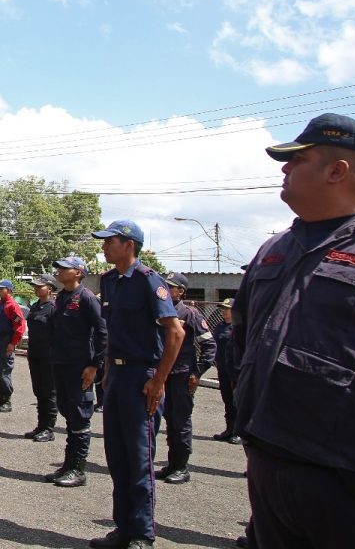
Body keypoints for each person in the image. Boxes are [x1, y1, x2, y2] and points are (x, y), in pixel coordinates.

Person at [234, 113, 355, 548]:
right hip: (268, 461)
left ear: (337, 171)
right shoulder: (274, 249)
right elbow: (244, 340)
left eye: (298, 159)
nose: (285, 168)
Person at [89, 220, 183, 549]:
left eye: (109, 241)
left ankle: (142, 534)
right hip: (115, 375)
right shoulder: (110, 280)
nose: (104, 247)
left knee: (139, 458)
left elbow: (176, 333)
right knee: (117, 455)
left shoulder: (149, 281)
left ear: (129, 245)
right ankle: (123, 529)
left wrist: (159, 380)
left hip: (141, 377)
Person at [45, 255, 106, 489]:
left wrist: (94, 366)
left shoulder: (87, 298)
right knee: (69, 413)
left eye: (64, 269)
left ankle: (78, 469)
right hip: (61, 363)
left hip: (80, 367)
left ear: (79, 272)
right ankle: (68, 465)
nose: (59, 272)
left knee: (80, 416)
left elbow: (103, 333)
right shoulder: (61, 297)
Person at [156, 272, 216, 485]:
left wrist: (197, 372)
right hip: (161, 374)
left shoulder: (189, 313)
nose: (165, 289)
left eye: (170, 286)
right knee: (168, 420)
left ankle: (181, 467)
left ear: (181, 291)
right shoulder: (160, 310)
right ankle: (172, 464)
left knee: (180, 421)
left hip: (181, 375)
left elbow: (209, 345)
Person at [23, 274, 57, 441]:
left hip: (49, 357)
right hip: (35, 354)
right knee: (39, 391)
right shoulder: (36, 306)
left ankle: (49, 428)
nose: (36, 289)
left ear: (49, 289)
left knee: (49, 392)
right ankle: (40, 425)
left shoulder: (53, 308)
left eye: (39, 286)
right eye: (35, 286)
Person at [0, 279, 26, 412]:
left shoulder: (12, 306)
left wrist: (12, 343)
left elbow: (20, 326)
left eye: (1, 289)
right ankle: (0, 399)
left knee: (4, 371)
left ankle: (7, 401)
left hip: (7, 339)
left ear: (8, 290)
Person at [210, 299, 241, 444]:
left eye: (227, 309)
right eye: (222, 308)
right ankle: (229, 430)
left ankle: (239, 432)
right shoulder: (220, 326)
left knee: (238, 403)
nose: (223, 311)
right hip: (222, 369)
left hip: (235, 371)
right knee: (228, 401)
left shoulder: (239, 327)